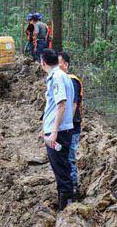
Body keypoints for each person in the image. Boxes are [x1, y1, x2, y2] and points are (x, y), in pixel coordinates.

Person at [39, 49, 75, 210]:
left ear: (43, 63)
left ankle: (66, 206)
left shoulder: (57, 78)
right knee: (61, 166)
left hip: (59, 132)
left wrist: (53, 132)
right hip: (59, 130)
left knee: (60, 167)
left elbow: (61, 105)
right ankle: (66, 201)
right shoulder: (62, 76)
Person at [58, 52, 83, 194]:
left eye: (59, 63)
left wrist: (66, 124)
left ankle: (73, 188)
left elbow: (73, 105)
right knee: (63, 157)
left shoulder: (71, 81)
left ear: (66, 65)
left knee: (70, 157)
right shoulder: (61, 80)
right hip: (65, 126)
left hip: (72, 127)